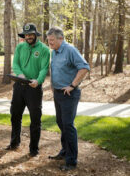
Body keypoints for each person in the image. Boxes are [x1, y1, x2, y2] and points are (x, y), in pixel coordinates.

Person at [46, 27, 90, 171]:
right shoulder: (55, 52)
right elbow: (55, 70)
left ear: (61, 38)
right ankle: (65, 152)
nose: (50, 43)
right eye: (48, 40)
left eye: (52, 40)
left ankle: (71, 161)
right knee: (61, 122)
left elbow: (84, 67)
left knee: (68, 125)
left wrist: (72, 85)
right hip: (58, 93)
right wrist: (53, 86)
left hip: (69, 94)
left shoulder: (70, 50)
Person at [6, 23, 50, 157]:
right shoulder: (20, 47)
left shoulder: (44, 49)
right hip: (19, 86)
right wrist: (19, 74)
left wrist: (38, 80)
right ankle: (14, 143)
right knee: (15, 115)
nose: (28, 37)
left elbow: (44, 68)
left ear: (35, 35)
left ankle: (34, 149)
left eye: (31, 34)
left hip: (34, 87)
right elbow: (16, 64)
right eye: (26, 35)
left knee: (35, 119)